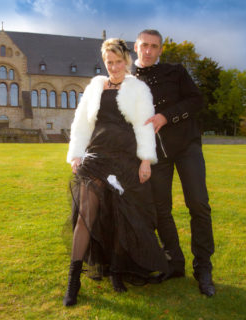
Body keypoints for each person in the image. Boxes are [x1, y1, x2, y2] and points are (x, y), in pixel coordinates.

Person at [63, 38, 169, 307]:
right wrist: (76, 153)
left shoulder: (138, 89)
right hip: (97, 155)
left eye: (118, 62)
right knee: (86, 214)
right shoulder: (95, 87)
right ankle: (73, 280)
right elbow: (81, 121)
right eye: (109, 62)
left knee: (122, 215)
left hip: (125, 158)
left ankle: (117, 272)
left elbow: (145, 126)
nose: (113, 67)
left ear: (127, 61)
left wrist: (146, 159)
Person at [133, 29, 215, 297]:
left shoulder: (176, 72)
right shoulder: (128, 80)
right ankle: (174, 263)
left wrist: (166, 116)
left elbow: (196, 100)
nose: (148, 51)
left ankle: (203, 268)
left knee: (198, 204)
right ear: (136, 46)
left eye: (154, 46)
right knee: (160, 210)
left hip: (186, 146)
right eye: (144, 45)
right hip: (156, 153)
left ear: (160, 50)